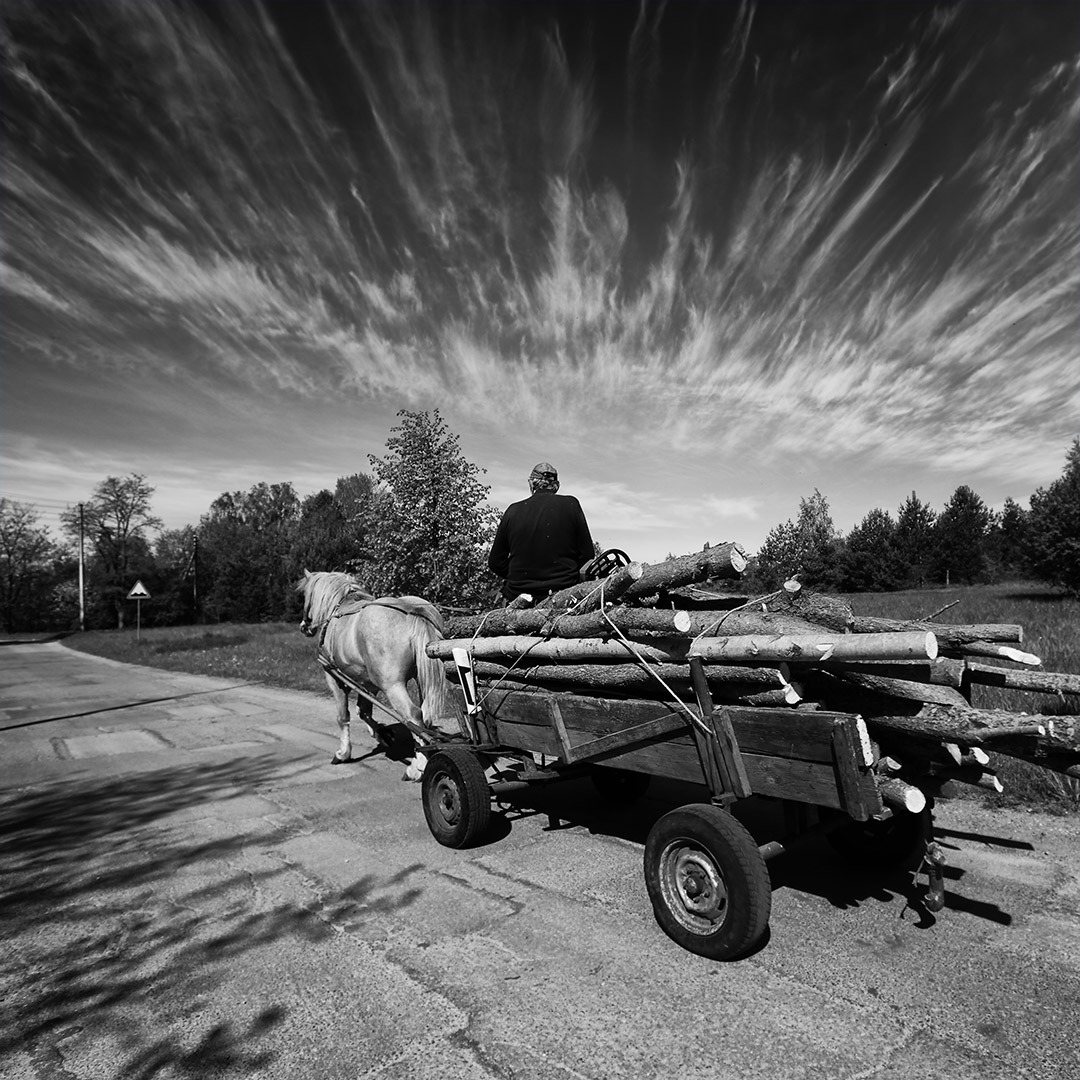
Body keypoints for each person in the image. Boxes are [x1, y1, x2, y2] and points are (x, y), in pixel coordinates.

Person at [488, 462, 595, 604]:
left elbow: (495, 562)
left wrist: (521, 577)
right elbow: (587, 555)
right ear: (556, 485)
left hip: (517, 596)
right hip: (563, 596)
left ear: (531, 483)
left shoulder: (512, 511)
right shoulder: (571, 504)